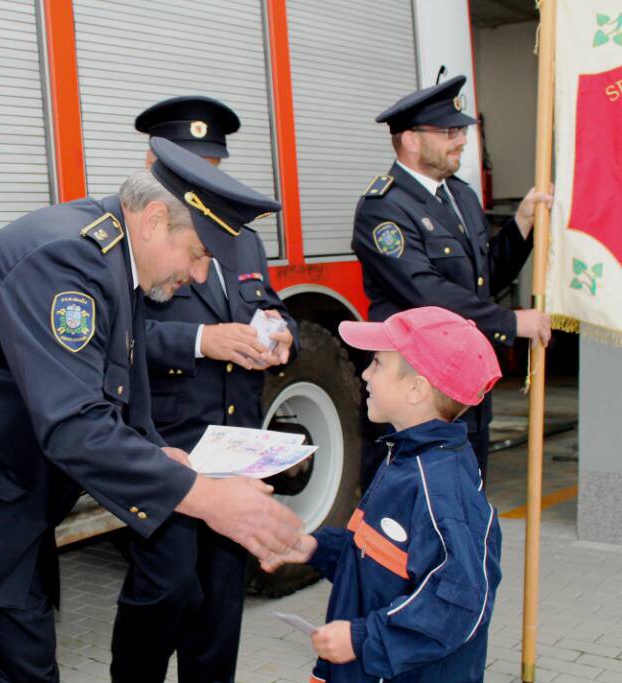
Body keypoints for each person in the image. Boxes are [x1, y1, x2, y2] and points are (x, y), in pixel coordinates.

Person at [0, 136, 302, 682]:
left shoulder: (114, 259)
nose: (200, 276)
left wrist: (166, 457)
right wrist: (208, 500)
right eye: (198, 254)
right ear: (155, 219)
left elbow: (120, 398)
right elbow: (74, 425)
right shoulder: (67, 260)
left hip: (14, 500)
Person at [136, 95, 299, 683]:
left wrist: (281, 334)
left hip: (238, 449)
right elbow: (117, 345)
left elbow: (273, 309)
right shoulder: (136, 240)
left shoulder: (240, 238)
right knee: (165, 593)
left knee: (222, 601)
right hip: (171, 448)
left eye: (213, 166)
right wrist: (201, 340)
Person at [279, 306, 503, 682]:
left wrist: (365, 638)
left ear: (417, 389)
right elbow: (383, 565)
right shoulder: (404, 459)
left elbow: (460, 604)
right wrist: (317, 549)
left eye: (378, 364)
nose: (364, 374)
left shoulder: (442, 488)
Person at [353, 74, 553, 486]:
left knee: (464, 503)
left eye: (460, 130)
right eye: (448, 131)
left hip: (464, 390)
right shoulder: (383, 209)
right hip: (414, 395)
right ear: (410, 140)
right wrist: (511, 322)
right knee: (409, 516)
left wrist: (521, 225)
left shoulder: (459, 195)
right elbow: (426, 293)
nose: (460, 140)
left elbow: (484, 278)